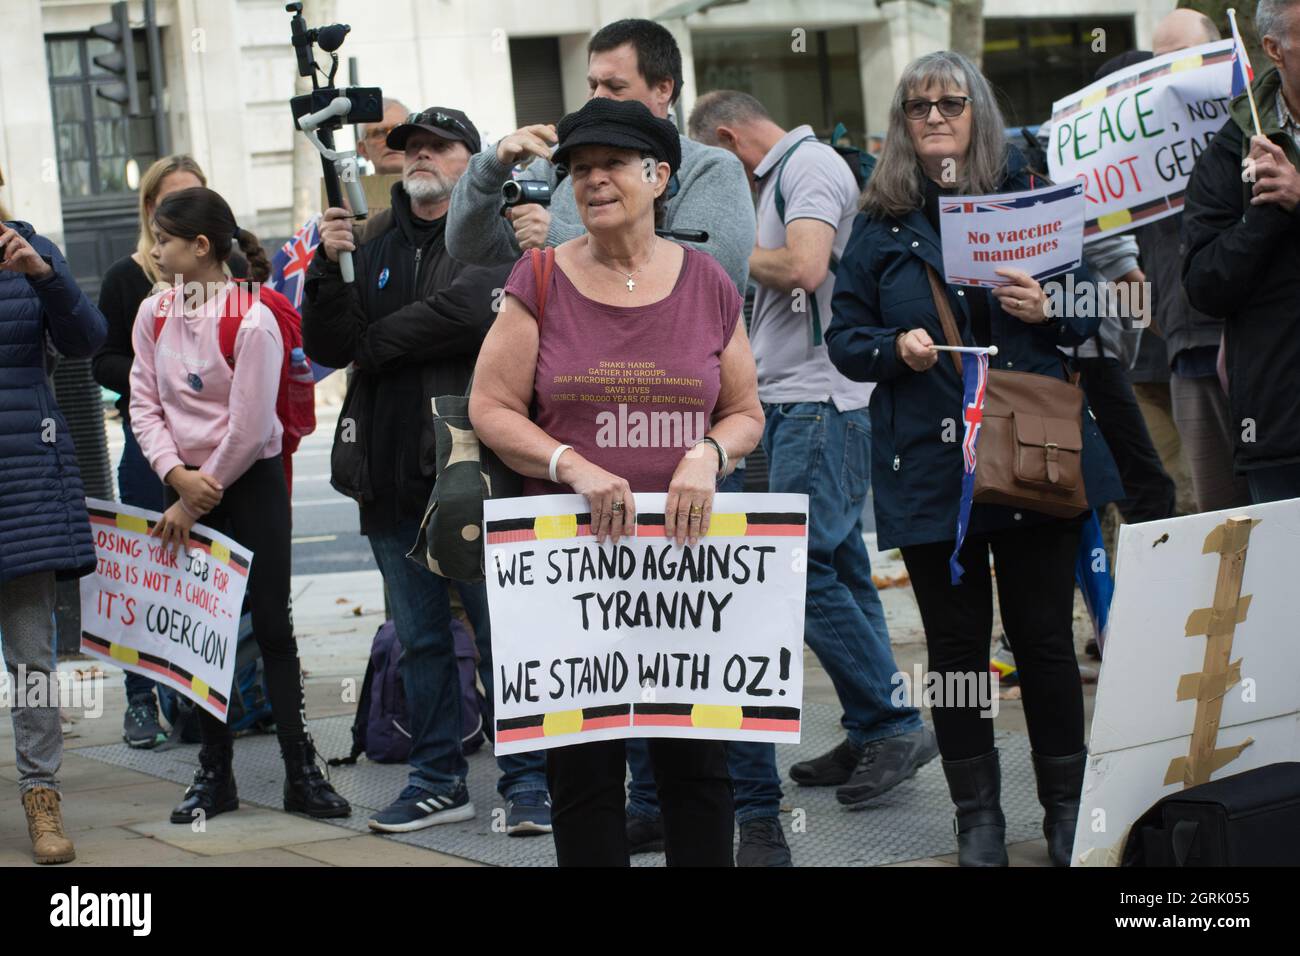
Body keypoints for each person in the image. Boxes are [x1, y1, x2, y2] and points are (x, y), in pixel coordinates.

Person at [825, 51, 1123, 867]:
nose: (932, 119)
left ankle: (1066, 810)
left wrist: (1050, 303)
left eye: (949, 103)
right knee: (956, 658)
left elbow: (1103, 316)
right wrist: (897, 346)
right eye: (916, 108)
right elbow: (844, 339)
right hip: (931, 463)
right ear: (900, 124)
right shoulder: (879, 221)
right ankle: (979, 819)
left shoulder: (1031, 195)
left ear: (977, 111)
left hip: (1032, 453)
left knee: (1044, 642)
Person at [469, 97, 765, 867]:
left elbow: (745, 412)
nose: (593, 181)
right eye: (579, 169)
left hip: (684, 559)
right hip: (571, 562)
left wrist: (706, 454)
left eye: (612, 166)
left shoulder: (705, 283)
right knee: (585, 775)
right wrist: (572, 465)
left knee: (697, 769)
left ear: (659, 175)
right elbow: (491, 407)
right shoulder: (538, 277)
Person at [687, 90, 939, 815]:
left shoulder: (811, 165)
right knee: (842, 570)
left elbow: (803, 266)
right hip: (797, 403)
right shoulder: (783, 174)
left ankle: (893, 721)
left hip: (821, 401)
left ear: (730, 139)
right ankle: (872, 727)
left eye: (714, 166)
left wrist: (713, 243)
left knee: (797, 573)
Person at [302, 107, 552, 834]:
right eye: (412, 147)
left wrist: (374, 344)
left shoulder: (497, 229)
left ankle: (529, 778)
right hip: (386, 474)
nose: (422, 157)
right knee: (421, 641)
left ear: (472, 160)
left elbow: (474, 308)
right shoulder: (367, 237)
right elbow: (328, 340)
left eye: (441, 147)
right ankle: (438, 778)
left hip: (473, 474)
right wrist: (325, 268)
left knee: (503, 636)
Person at [129, 186, 350, 824]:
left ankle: (299, 770)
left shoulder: (254, 318)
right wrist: (174, 473)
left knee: (273, 629)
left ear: (200, 247)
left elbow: (251, 427)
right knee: (203, 633)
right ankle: (214, 773)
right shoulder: (154, 313)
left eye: (164, 239)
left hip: (247, 483)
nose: (155, 249)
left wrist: (196, 496)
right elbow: (142, 402)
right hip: (185, 485)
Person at [447, 17, 754, 294]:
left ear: (663, 89)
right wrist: (493, 165)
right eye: (593, 85)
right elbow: (468, 245)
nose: (597, 98)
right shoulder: (557, 166)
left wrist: (557, 238)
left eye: (615, 86)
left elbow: (707, 279)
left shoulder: (711, 168)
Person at [0, 200, 107, 864]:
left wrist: (44, 274)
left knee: (33, 661)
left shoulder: (31, 251)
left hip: (23, 492)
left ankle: (42, 798)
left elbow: (87, 339)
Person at [93, 154, 207, 750]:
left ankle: (199, 698)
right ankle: (141, 699)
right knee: (144, 572)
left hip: (208, 450)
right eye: (170, 204)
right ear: (149, 212)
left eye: (195, 199)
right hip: (147, 446)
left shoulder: (228, 274)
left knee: (201, 577)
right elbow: (101, 359)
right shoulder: (127, 278)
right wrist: (160, 367)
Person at [1183, 0, 1300, 504]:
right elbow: (1205, 287)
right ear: (1274, 49)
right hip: (1281, 427)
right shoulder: (1232, 149)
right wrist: (1266, 216)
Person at [1140, 9, 1251, 513]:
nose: (1171, 76)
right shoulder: (1141, 145)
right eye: (1158, 63)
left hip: (1261, 339)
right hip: (1188, 344)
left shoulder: (1255, 124)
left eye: (1183, 59)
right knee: (1223, 517)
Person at [355, 98, 411, 175]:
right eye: (378, 134)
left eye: (399, 130)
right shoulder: (347, 187)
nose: (391, 141)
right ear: (363, 150)